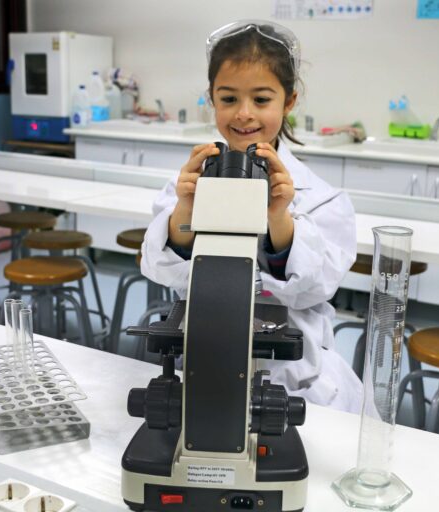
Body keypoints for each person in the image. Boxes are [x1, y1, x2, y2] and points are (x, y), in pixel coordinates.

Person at [140, 20, 362, 413]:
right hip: (206, 359)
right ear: (212, 98)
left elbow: (311, 289)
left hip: (295, 379)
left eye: (261, 100)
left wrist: (279, 218)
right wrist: (186, 211)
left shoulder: (323, 200)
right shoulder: (187, 185)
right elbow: (160, 269)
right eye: (228, 99)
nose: (244, 115)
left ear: (288, 102)